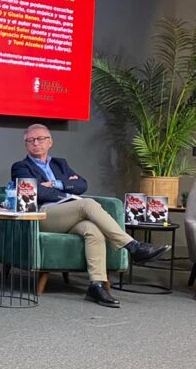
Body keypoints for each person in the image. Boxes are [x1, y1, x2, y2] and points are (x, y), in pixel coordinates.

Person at [11, 123, 168, 307]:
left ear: (50, 142)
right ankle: (133, 247)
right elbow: (36, 193)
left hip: (71, 212)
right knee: (87, 204)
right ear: (26, 145)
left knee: (93, 230)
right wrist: (64, 186)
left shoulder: (60, 163)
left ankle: (97, 285)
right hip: (45, 214)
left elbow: (82, 185)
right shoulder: (20, 167)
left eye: (40, 139)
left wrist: (54, 184)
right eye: (31, 140)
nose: (36, 143)